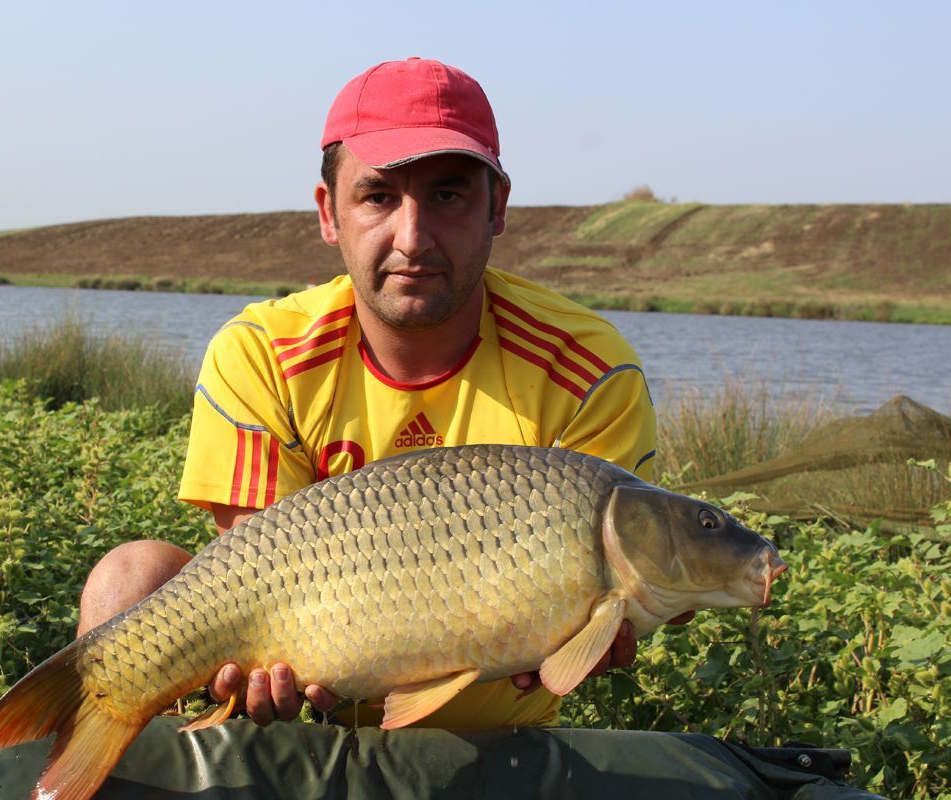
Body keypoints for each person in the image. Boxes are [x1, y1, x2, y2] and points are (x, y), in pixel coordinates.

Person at [78, 57, 669, 729]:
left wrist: (595, 631)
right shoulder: (261, 353)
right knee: (130, 578)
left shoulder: (590, 368)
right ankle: (104, 726)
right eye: (379, 197)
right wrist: (266, 670)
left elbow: (613, 599)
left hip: (503, 734)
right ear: (329, 212)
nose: (413, 239)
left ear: (497, 207)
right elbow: (265, 580)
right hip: (313, 725)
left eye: (448, 196)